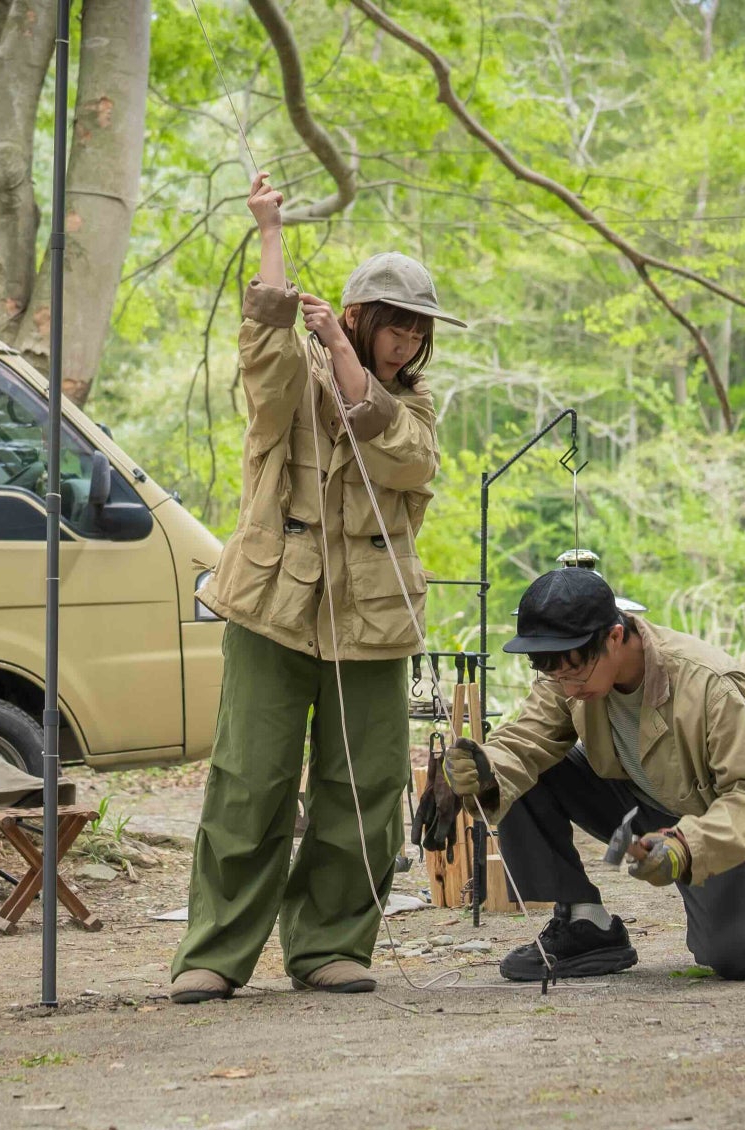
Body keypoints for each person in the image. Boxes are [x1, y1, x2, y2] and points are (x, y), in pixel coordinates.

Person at [170, 172, 465, 1004]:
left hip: (372, 618)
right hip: (272, 605)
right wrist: (270, 228)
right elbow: (263, 343)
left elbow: (403, 453)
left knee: (363, 783)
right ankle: (216, 950)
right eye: (393, 327)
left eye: (418, 333)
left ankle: (330, 942)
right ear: (365, 314)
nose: (405, 344)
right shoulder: (290, 378)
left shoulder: (418, 407)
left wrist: (345, 352)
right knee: (250, 778)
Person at [444, 567, 745, 982]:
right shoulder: (569, 669)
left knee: (733, 956)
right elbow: (525, 742)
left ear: (614, 637)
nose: (568, 689)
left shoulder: (709, 684)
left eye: (575, 673)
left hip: (717, 824)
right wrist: (484, 770)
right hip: (638, 802)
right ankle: (585, 924)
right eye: (554, 676)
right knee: (514, 773)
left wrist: (686, 847)